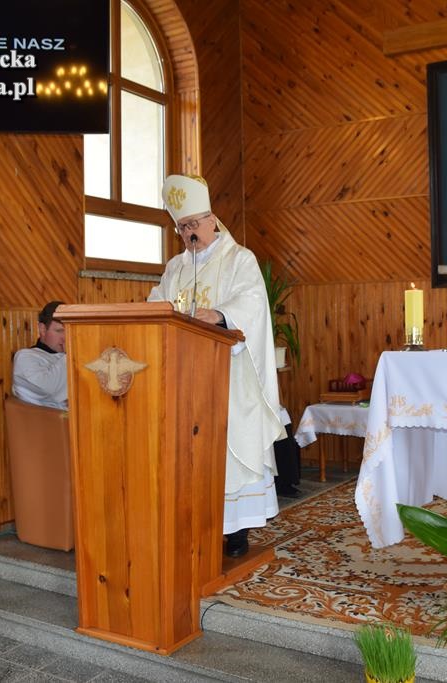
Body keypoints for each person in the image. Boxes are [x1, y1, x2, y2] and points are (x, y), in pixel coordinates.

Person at [148, 174, 285, 557]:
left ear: (212, 220)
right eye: (181, 227)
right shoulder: (175, 268)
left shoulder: (239, 259)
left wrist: (221, 314)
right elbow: (157, 302)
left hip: (228, 375)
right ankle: (194, 522)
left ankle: (235, 529)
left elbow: (253, 302)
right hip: (183, 376)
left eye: (194, 224)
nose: (189, 233)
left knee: (229, 449)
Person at [12, 301, 68, 410]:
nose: (65, 337)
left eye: (69, 330)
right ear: (42, 329)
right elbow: (48, 388)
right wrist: (70, 354)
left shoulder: (72, 357)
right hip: (51, 419)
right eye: (60, 330)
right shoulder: (25, 357)